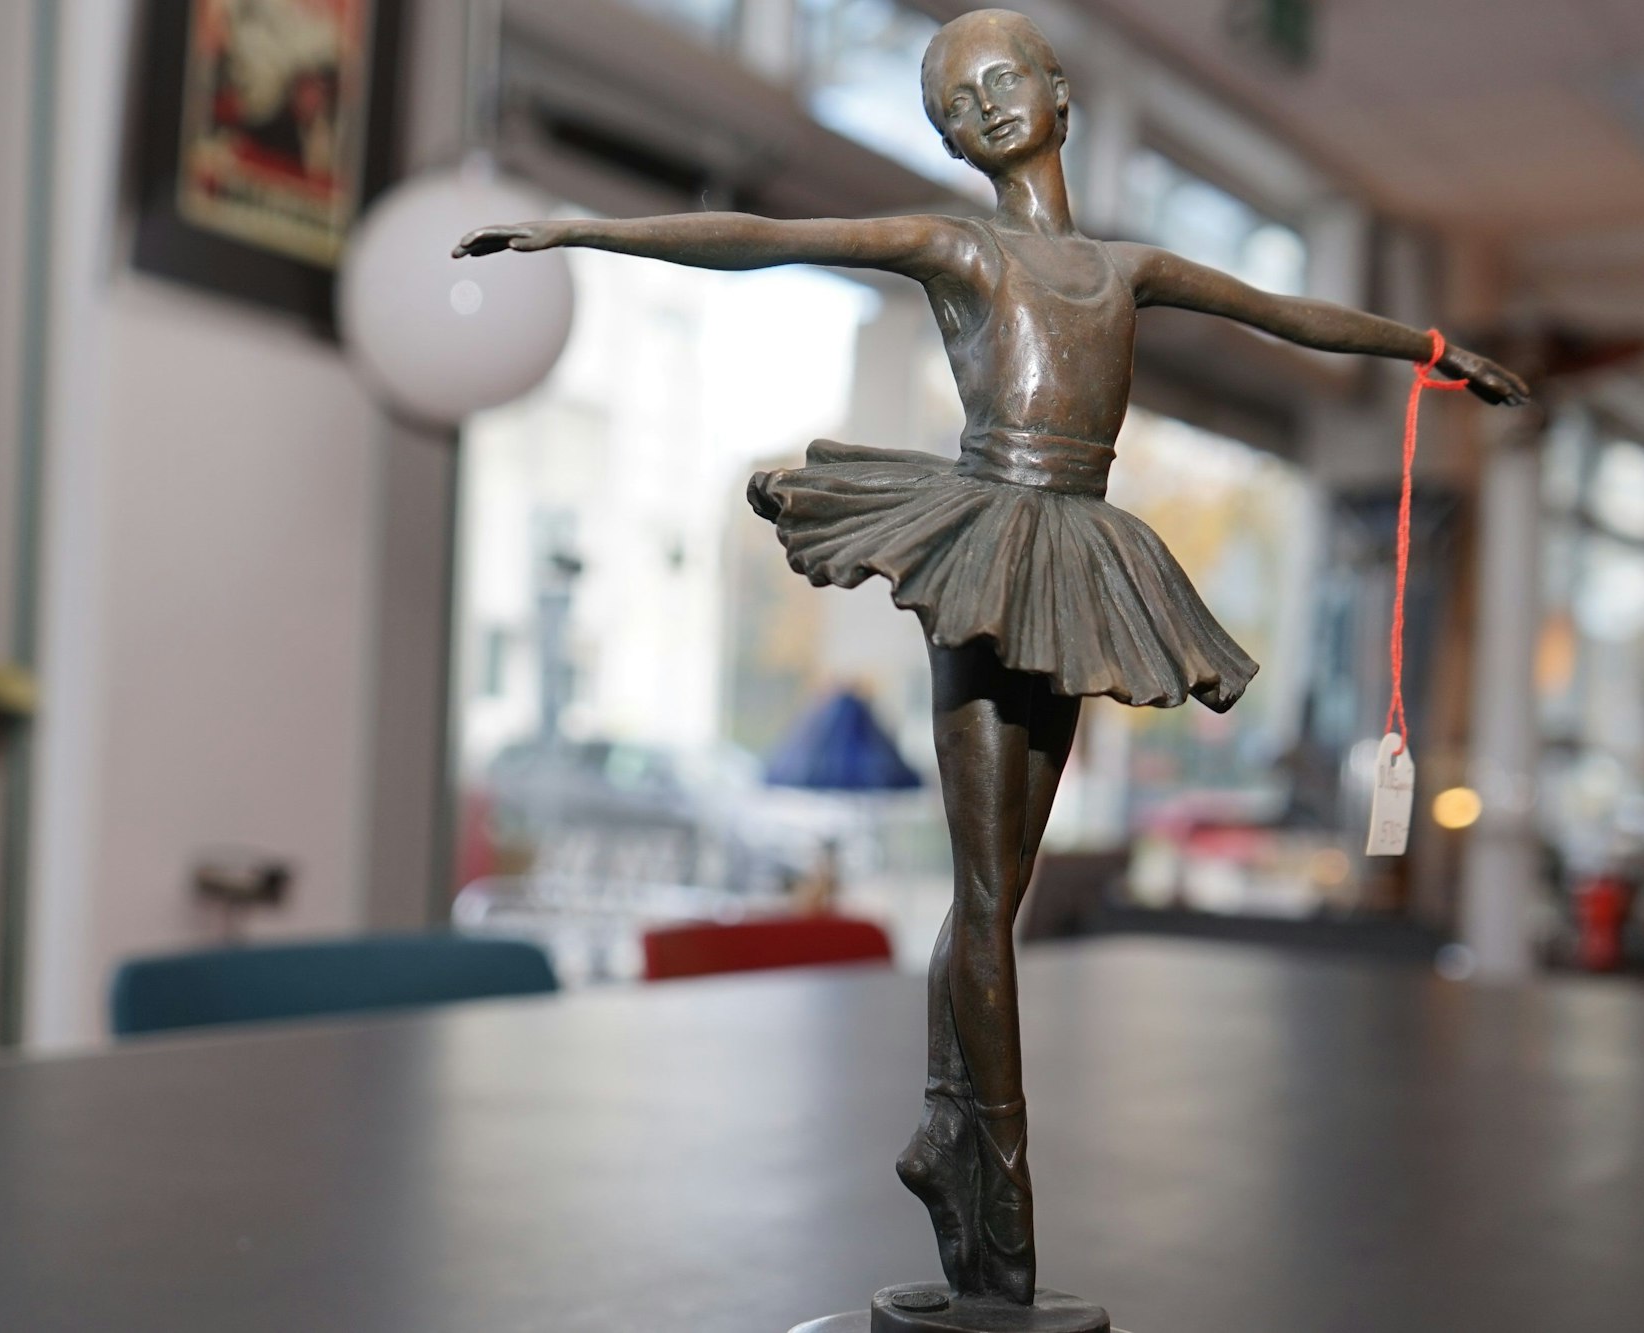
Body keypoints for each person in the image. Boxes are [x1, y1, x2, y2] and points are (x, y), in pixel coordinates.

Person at [456, 7, 1527, 1307]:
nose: (982, 113)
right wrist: (580, 226)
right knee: (978, 888)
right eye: (955, 104)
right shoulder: (957, 243)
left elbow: (1285, 312)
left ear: (1060, 94)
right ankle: (996, 1175)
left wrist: (1430, 350)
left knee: (996, 898)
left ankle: (946, 1132)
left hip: (1082, 548)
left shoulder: (1127, 270)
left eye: (1001, 83)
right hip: (989, 539)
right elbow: (773, 237)